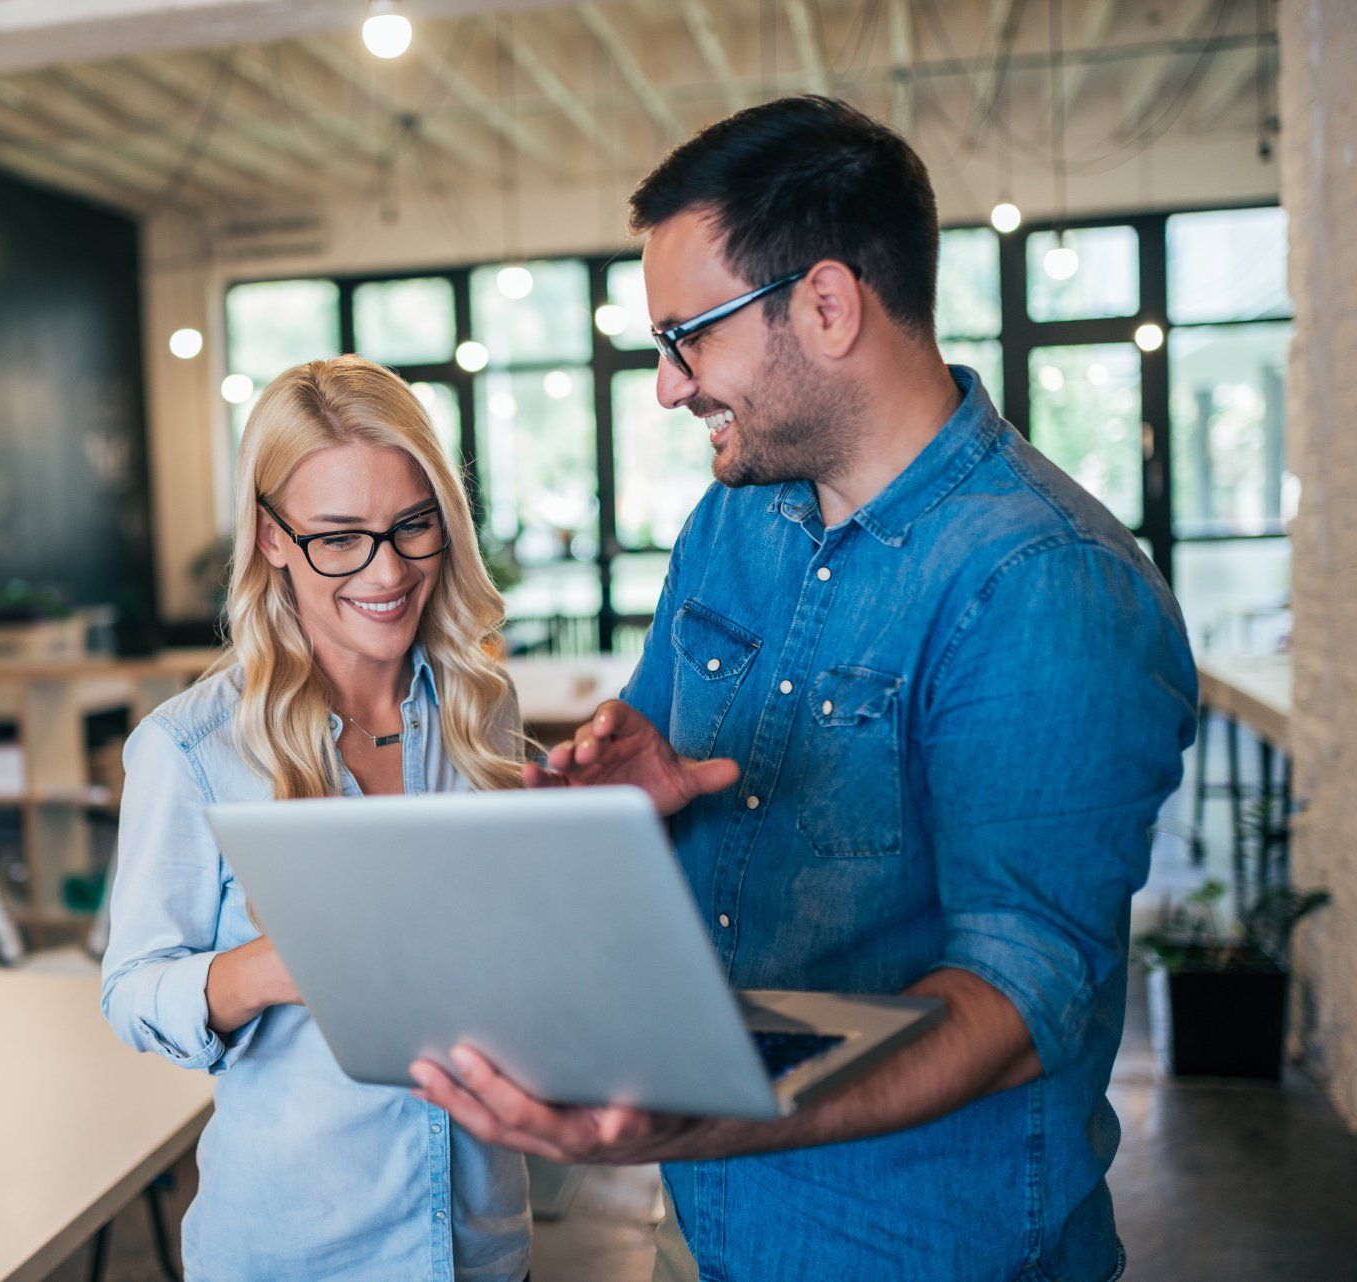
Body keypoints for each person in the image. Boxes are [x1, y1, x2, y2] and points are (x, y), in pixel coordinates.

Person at [411, 96, 1198, 1282]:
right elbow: (675, 780)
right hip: (715, 1230)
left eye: (688, 336)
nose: (669, 386)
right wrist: (631, 803)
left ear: (827, 306)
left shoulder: (1045, 585)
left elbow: (1023, 996)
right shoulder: (735, 522)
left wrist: (715, 1111)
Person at [100, 355, 532, 1282]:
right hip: (298, 1251)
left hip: (482, 1245)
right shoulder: (192, 749)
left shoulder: (481, 710)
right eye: (339, 538)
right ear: (270, 539)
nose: (387, 572)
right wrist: (268, 970)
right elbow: (132, 991)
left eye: (412, 527)